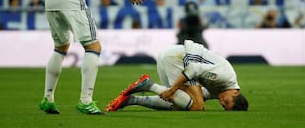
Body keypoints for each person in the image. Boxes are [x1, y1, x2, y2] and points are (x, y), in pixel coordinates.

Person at [105, 40, 248, 112]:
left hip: (169, 56)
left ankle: (130, 100)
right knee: (197, 106)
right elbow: (193, 68)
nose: (222, 103)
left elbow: (202, 93)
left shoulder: (223, 91)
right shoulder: (224, 77)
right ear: (235, 92)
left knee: (178, 104)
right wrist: (173, 89)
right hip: (178, 57)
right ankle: (149, 84)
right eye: (227, 103)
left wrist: (173, 92)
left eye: (224, 107)